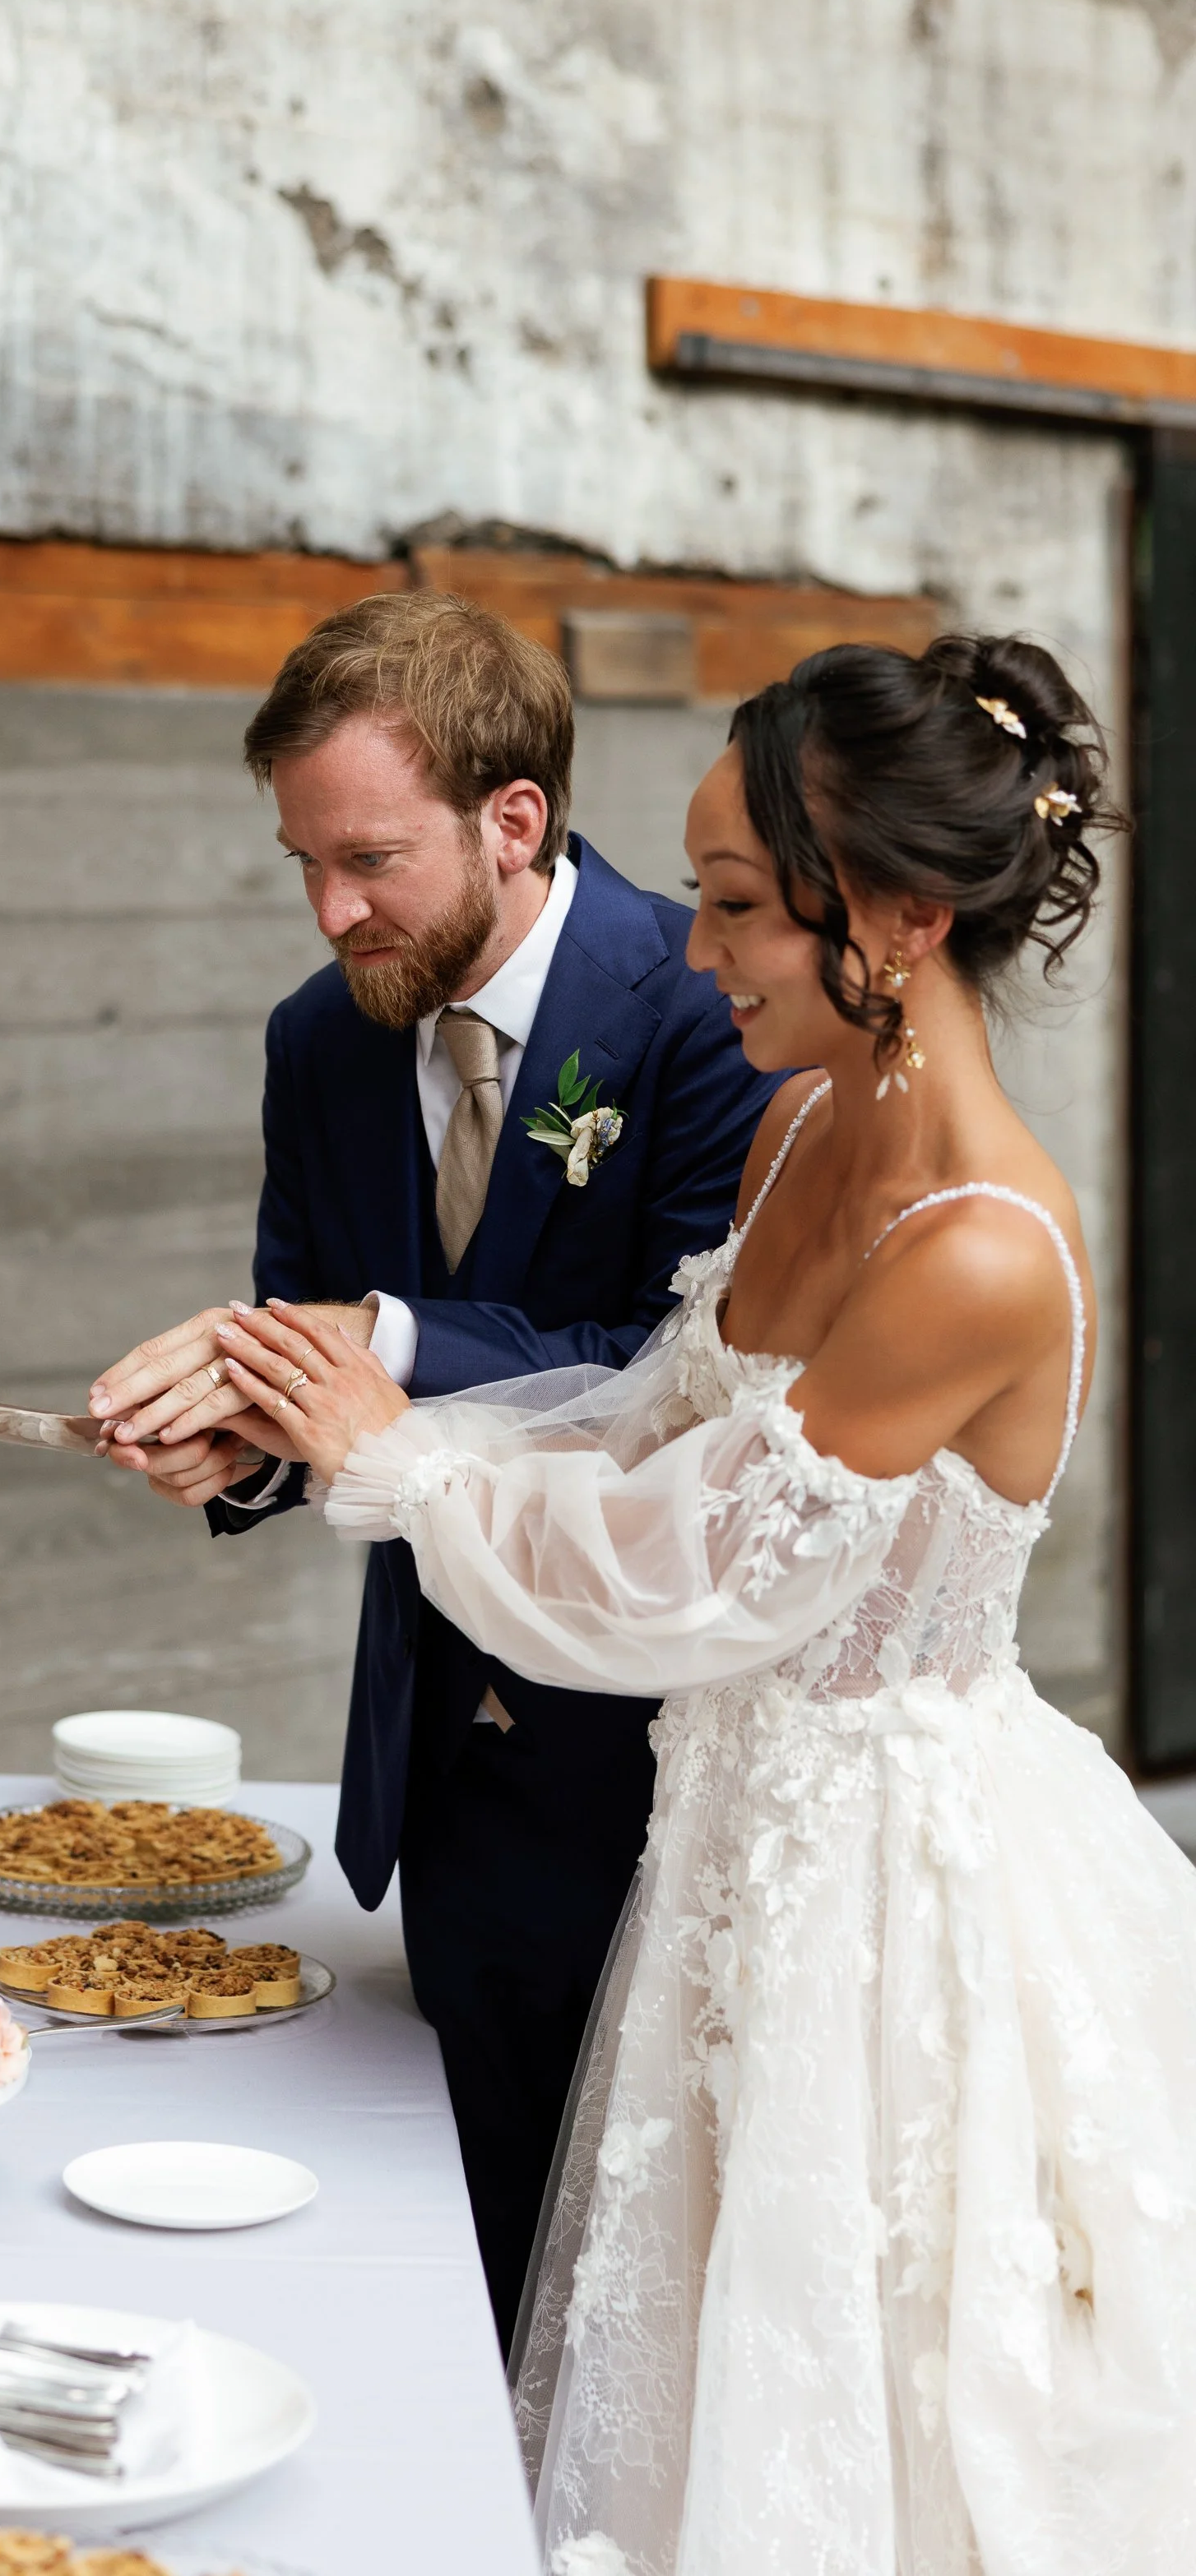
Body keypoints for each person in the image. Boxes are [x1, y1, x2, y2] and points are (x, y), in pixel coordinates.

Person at [210, 633, 1196, 2572]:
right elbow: (644, 1423)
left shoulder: (986, 1250)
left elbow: (692, 1574)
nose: (698, 947)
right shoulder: (804, 1124)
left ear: (900, 920)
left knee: (858, 2407)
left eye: (738, 905)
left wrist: (398, 1457)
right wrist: (343, 1425)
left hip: (888, 1897)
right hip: (727, 1845)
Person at [87, 590, 778, 2340]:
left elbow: (676, 1371)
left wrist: (377, 1339)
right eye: (301, 861)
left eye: (370, 858)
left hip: (655, 1748)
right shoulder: (316, 1039)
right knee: (468, 2270)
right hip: (443, 1771)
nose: (331, 911)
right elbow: (304, 1362)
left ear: (513, 820)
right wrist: (232, 1443)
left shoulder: (704, 1004)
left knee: (646, 2295)